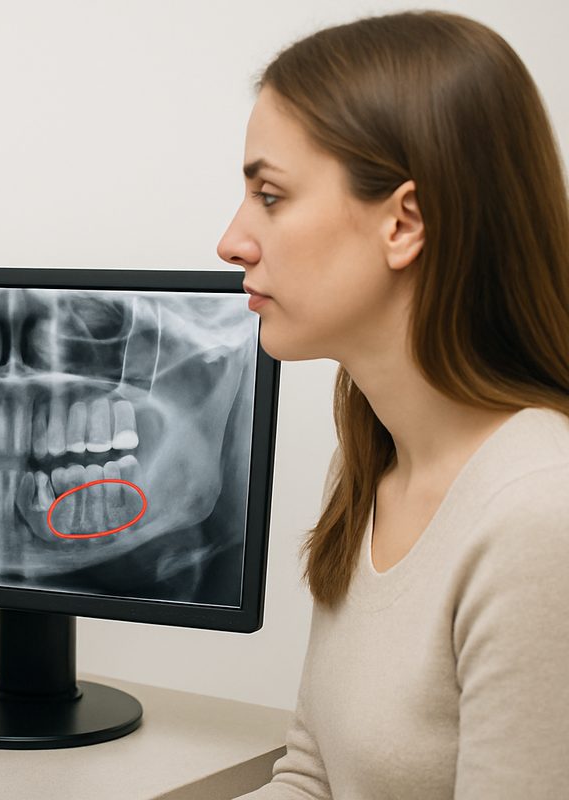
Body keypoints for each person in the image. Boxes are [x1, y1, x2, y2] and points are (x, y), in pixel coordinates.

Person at [216, 10, 569, 798]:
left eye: (269, 195)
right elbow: (312, 774)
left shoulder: (539, 518)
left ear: (403, 222)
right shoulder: (371, 457)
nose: (232, 241)